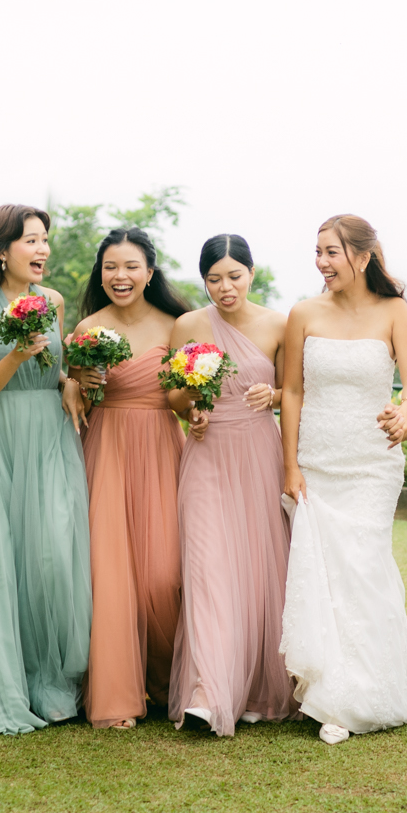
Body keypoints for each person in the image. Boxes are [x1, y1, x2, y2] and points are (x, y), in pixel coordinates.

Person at [278, 215, 407, 744]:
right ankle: (330, 691)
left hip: (371, 463)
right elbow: (292, 391)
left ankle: (367, 689)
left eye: (332, 252)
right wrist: (290, 465)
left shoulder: (394, 310)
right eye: (317, 252)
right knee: (324, 574)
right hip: (317, 461)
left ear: (362, 257)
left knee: (363, 567)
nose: (321, 262)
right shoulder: (303, 313)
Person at [0, 204, 92, 734]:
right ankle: (5, 687)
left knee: (51, 558)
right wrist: (14, 354)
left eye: (44, 240)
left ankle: (49, 682)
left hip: (48, 435)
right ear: (1, 250)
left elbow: (55, 371)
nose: (42, 250)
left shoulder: (52, 301)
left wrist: (71, 382)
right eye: (31, 240)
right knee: (3, 562)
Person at [165, 234, 298, 736]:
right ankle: (207, 692)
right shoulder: (187, 325)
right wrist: (192, 410)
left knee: (259, 569)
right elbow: (173, 396)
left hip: (259, 454)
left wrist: (274, 393)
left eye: (234, 276)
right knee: (207, 570)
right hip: (206, 454)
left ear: (251, 273)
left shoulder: (279, 324)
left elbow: (295, 390)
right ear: (204, 281)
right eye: (214, 279)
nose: (225, 287)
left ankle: (258, 689)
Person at [69, 227, 188, 729]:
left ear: (150, 273)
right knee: (110, 572)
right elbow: (74, 395)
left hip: (161, 448)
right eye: (110, 267)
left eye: (131, 266)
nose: (120, 276)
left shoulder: (177, 326)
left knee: (164, 574)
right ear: (100, 274)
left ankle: (167, 680)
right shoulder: (88, 327)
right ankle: (117, 691)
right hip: (106, 449)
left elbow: (186, 395)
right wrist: (78, 383)